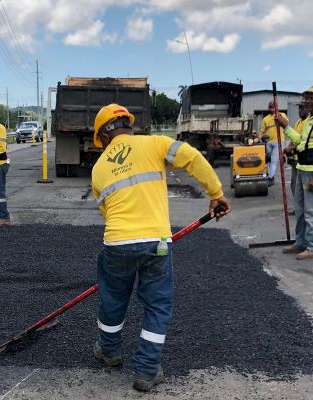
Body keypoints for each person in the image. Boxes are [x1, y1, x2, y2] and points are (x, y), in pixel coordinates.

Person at [90, 103, 231, 392]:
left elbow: (107, 212)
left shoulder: (98, 168)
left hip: (116, 243)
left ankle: (109, 351)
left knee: (113, 299)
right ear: (127, 125)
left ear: (103, 136)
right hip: (156, 243)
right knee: (157, 305)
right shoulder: (154, 144)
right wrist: (215, 194)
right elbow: (191, 157)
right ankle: (146, 370)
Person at [276, 85, 313, 260]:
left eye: (311, 98)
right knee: (301, 210)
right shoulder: (310, 120)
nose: (307, 102)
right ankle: (301, 242)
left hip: (312, 173)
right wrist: (286, 127)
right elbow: (301, 142)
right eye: (306, 98)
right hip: (302, 169)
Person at [260, 101, 288, 186]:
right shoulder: (265, 119)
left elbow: (286, 123)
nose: (271, 108)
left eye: (273, 106)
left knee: (273, 160)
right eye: (270, 107)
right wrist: (260, 139)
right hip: (268, 142)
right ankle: (270, 174)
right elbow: (262, 131)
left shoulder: (282, 115)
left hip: (278, 142)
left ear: (276, 107)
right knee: (268, 160)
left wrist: (279, 117)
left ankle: (270, 178)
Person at [283, 103, 309, 196]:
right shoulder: (298, 122)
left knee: (299, 186)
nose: (300, 111)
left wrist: (291, 148)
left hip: (303, 159)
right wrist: (286, 149)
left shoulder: (308, 123)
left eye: (303, 108)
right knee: (294, 184)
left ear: (308, 109)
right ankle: (298, 208)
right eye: (299, 109)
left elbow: (304, 142)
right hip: (295, 159)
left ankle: (300, 208)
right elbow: (294, 138)